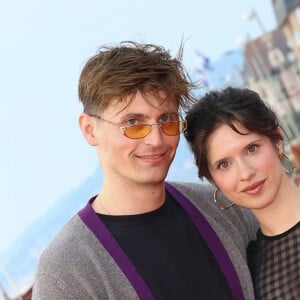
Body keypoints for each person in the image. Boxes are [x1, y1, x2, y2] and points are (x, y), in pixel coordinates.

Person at [32, 43, 257, 300]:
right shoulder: (66, 273)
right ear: (89, 129)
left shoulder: (225, 208)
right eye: (133, 123)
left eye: (166, 119)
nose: (156, 140)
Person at [184, 86, 300, 300]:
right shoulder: (247, 271)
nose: (245, 173)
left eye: (251, 149)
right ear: (211, 178)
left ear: (277, 142)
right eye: (224, 164)